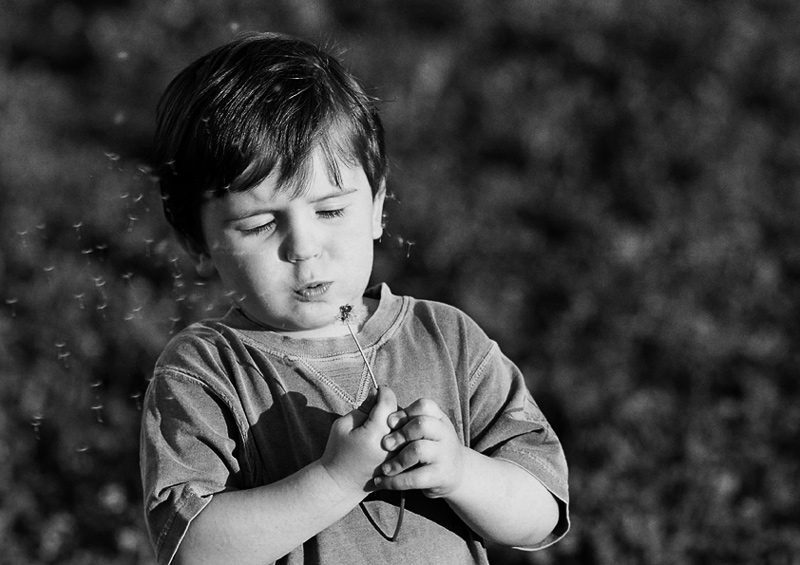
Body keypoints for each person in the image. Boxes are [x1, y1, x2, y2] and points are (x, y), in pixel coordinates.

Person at [140, 31, 569, 565]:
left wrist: (459, 471)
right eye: (258, 224)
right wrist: (334, 480)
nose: (303, 246)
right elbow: (193, 551)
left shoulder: (448, 340)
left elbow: (543, 511)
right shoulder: (205, 371)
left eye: (330, 211)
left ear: (376, 207)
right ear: (199, 245)